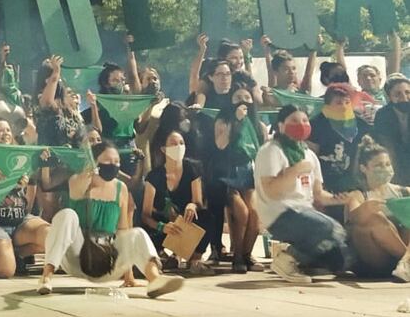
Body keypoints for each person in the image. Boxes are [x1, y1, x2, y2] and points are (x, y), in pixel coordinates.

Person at [37, 141, 184, 298]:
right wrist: (88, 171)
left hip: (106, 261)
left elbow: (123, 232)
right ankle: (46, 277)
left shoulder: (121, 188)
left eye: (117, 161)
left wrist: (129, 277)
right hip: (78, 257)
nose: (113, 165)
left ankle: (155, 280)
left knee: (137, 233)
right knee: (66, 215)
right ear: (95, 162)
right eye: (108, 161)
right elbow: (74, 188)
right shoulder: (78, 181)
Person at [254, 105, 352, 284]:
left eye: (305, 121)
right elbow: (272, 191)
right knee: (328, 228)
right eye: (294, 121)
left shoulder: (309, 155)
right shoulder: (271, 150)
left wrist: (339, 199)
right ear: (281, 125)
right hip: (279, 213)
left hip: (304, 211)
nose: (301, 124)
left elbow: (318, 195)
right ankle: (286, 259)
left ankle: (305, 262)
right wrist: (296, 170)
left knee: (340, 252)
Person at [0, 117, 49, 276]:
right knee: (6, 270)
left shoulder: (20, 155)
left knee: (51, 236)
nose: (5, 133)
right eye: (0, 130)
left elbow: (32, 183)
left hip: (19, 221)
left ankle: (17, 253)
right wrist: (9, 183)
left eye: (8, 130)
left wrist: (40, 159)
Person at [209, 88, 265, 273]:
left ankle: (247, 255)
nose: (243, 101)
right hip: (227, 175)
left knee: (255, 214)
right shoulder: (223, 120)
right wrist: (235, 121)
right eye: (238, 98)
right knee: (241, 212)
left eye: (247, 97)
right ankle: (238, 256)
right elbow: (220, 144)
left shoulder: (258, 125)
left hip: (249, 174)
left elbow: (261, 152)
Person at [142, 131, 213, 275]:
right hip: (164, 224)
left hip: (185, 221)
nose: (178, 147)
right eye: (173, 144)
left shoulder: (192, 169)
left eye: (181, 143)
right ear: (163, 149)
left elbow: (198, 202)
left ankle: (195, 260)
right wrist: (162, 227)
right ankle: (166, 255)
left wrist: (192, 205)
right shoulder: (154, 176)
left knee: (207, 217)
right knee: (146, 231)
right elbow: (145, 215)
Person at [344, 136, 410, 281]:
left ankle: (405, 263)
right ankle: (406, 261)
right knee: (374, 219)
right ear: (363, 168)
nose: (385, 169)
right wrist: (367, 209)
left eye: (387, 164)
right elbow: (354, 218)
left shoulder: (403, 192)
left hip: (398, 264)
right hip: (373, 260)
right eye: (379, 165)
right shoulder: (358, 194)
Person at [307, 84, 370, 196]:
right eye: (339, 103)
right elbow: (312, 157)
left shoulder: (361, 125)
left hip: (353, 181)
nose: (344, 107)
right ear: (328, 105)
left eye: (347, 102)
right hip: (324, 181)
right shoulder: (315, 124)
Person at [373, 75, 410, 185]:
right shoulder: (383, 115)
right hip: (395, 162)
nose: (404, 98)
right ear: (389, 97)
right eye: (398, 94)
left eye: (407, 92)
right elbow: (387, 147)